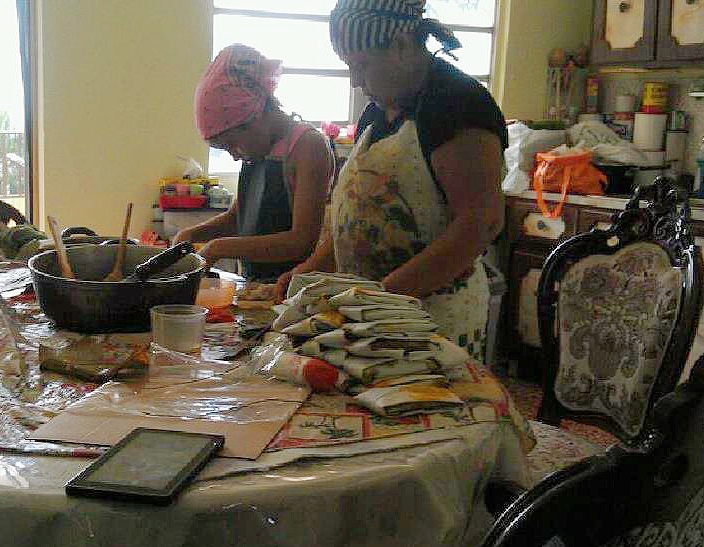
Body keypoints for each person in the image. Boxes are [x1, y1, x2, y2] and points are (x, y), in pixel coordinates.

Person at [276, 0, 507, 362]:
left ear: (401, 44)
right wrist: (312, 271)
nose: (354, 80)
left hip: (432, 324)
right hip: (371, 318)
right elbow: (360, 219)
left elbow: (480, 223)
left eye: (361, 65)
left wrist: (380, 298)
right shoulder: (376, 112)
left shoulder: (457, 104)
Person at [174, 44, 335, 282]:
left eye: (233, 144)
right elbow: (238, 219)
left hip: (295, 289)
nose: (235, 155)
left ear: (254, 117)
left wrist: (219, 248)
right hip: (257, 287)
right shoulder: (256, 152)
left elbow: (301, 241)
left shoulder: (307, 147)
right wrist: (191, 234)